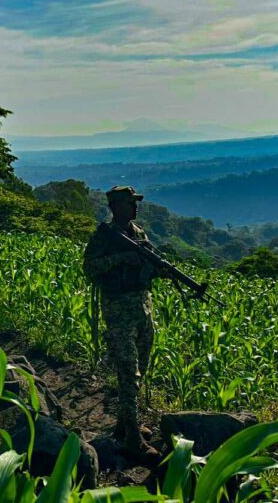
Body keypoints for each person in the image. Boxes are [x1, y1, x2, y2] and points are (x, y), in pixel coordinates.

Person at [83, 185, 167, 463]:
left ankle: (124, 424)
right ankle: (132, 439)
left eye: (135, 202)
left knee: (140, 368)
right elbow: (90, 268)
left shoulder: (138, 232)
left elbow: (150, 263)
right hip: (119, 311)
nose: (135, 207)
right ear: (115, 207)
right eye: (130, 203)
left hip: (142, 308)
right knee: (128, 371)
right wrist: (121, 258)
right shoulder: (104, 236)